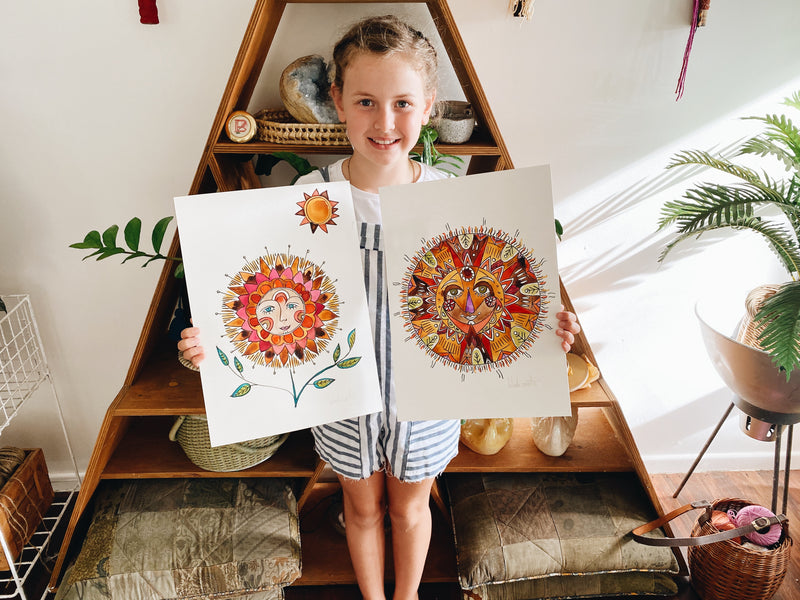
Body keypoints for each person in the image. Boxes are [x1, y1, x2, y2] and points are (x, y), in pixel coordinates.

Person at [178, 15, 581, 600]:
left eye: (401, 103)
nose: (384, 122)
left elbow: (492, 305)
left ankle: (407, 596)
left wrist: (544, 333)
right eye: (365, 100)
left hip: (430, 396)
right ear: (337, 101)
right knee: (361, 508)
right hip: (337, 393)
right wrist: (212, 344)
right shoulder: (303, 202)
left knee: (411, 509)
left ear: (428, 107)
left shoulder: (457, 204)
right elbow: (267, 301)